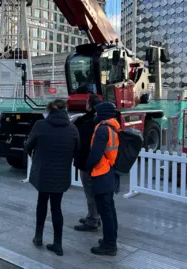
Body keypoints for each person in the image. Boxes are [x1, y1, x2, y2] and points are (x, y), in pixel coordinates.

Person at [25, 99, 80, 256]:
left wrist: (34, 156)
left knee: (41, 202)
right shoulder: (72, 129)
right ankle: (58, 244)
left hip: (42, 173)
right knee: (56, 207)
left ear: (49, 111)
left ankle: (38, 237)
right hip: (61, 175)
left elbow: (29, 145)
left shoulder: (40, 126)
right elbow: (78, 151)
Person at [85, 102, 120, 256]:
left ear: (103, 114)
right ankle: (110, 239)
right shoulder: (113, 127)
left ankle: (109, 245)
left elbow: (95, 154)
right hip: (109, 172)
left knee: (105, 211)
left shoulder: (102, 130)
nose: (95, 115)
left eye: (97, 112)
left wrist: (88, 166)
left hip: (101, 173)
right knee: (110, 210)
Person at [73, 94, 102, 232]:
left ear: (89, 105)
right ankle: (95, 215)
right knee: (95, 191)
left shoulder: (86, 123)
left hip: (87, 163)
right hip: (99, 163)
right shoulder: (101, 121)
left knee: (90, 191)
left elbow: (82, 145)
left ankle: (92, 220)